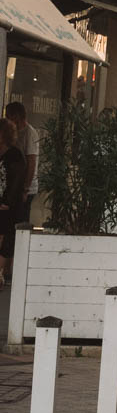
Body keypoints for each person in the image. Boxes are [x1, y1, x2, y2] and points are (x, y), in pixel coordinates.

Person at [0, 118, 27, 285]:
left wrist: (7, 201)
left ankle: (1, 272)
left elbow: (16, 180)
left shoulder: (14, 155)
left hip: (7, 205)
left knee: (5, 238)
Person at [4, 102, 37, 227]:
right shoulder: (14, 132)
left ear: (16, 116)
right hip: (15, 185)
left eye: (9, 117)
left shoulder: (29, 133)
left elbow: (31, 163)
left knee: (20, 219)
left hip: (25, 187)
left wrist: (25, 189)